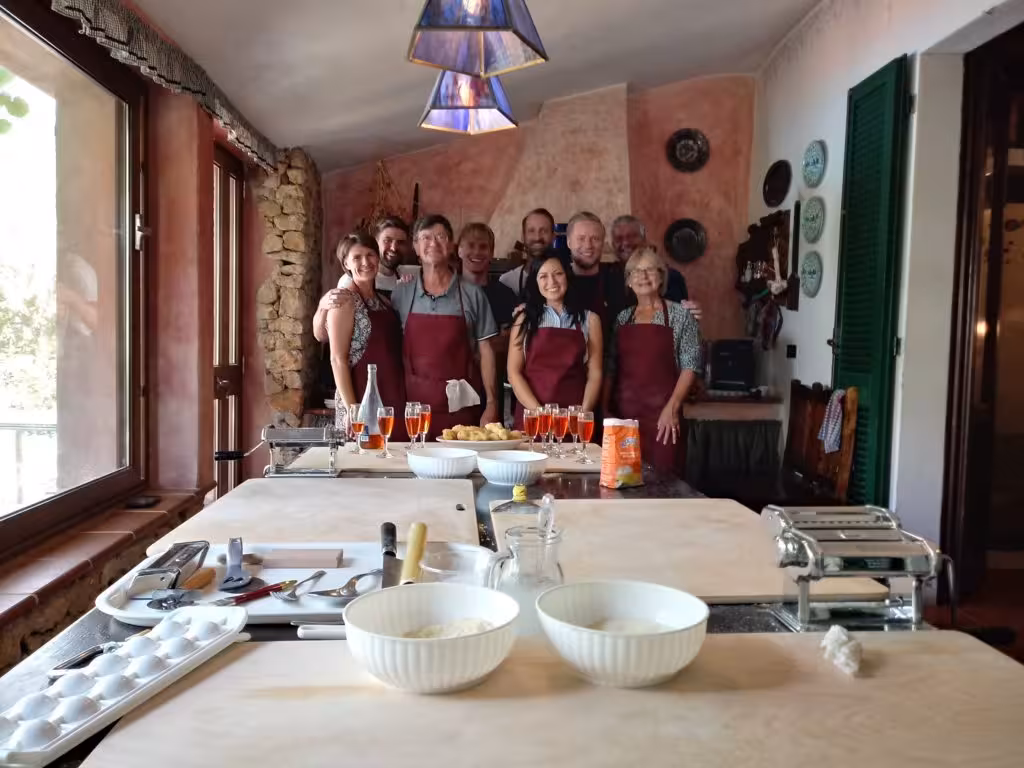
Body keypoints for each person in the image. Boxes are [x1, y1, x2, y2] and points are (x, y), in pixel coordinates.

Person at [391, 214, 500, 433]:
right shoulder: (401, 293)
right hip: (413, 412)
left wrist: (491, 404)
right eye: (426, 237)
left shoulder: (472, 294)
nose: (433, 243)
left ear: (451, 245)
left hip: (461, 412)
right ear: (416, 246)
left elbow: (486, 351)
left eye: (440, 236)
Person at [603, 247, 701, 475]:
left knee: (664, 485)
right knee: (623, 484)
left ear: (661, 276)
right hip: (624, 418)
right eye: (636, 271)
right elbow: (611, 367)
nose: (643, 276)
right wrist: (605, 408)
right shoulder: (623, 318)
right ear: (628, 281)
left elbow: (690, 365)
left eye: (649, 270)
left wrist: (672, 408)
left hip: (664, 419)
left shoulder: (681, 315)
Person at [324, 233, 408, 439]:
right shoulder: (344, 301)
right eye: (357, 257)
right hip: (360, 399)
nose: (365, 262)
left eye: (370, 255)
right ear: (346, 263)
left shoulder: (384, 302)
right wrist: (354, 409)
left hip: (392, 397)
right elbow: (337, 359)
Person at [508, 249, 602, 427]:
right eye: (543, 276)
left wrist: (582, 414)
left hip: (574, 418)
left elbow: (595, 373)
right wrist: (540, 413)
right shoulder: (524, 319)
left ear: (567, 276)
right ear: (535, 281)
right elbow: (514, 373)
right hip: (533, 417)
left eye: (558, 274)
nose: (551, 281)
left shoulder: (590, 320)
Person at [457, 222, 518, 419]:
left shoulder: (505, 295)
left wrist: (475, 343)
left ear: (491, 253)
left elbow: (513, 343)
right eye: (471, 245)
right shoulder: (448, 291)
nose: (477, 251)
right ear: (459, 250)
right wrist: (492, 340)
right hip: (454, 389)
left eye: (483, 247)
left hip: (492, 392)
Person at [566, 211, 628, 328]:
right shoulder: (556, 281)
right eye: (581, 238)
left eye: (595, 238)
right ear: (569, 242)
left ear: (603, 244)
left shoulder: (618, 279)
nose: (588, 245)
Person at [611, 214, 690, 303]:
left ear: (644, 240)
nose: (625, 243)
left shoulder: (670, 276)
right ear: (613, 245)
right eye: (619, 238)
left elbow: (681, 312)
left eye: (631, 236)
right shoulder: (608, 277)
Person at [499, 208, 555, 297]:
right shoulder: (507, 281)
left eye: (543, 231)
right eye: (531, 231)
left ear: (553, 237)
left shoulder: (563, 280)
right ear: (523, 236)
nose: (537, 237)